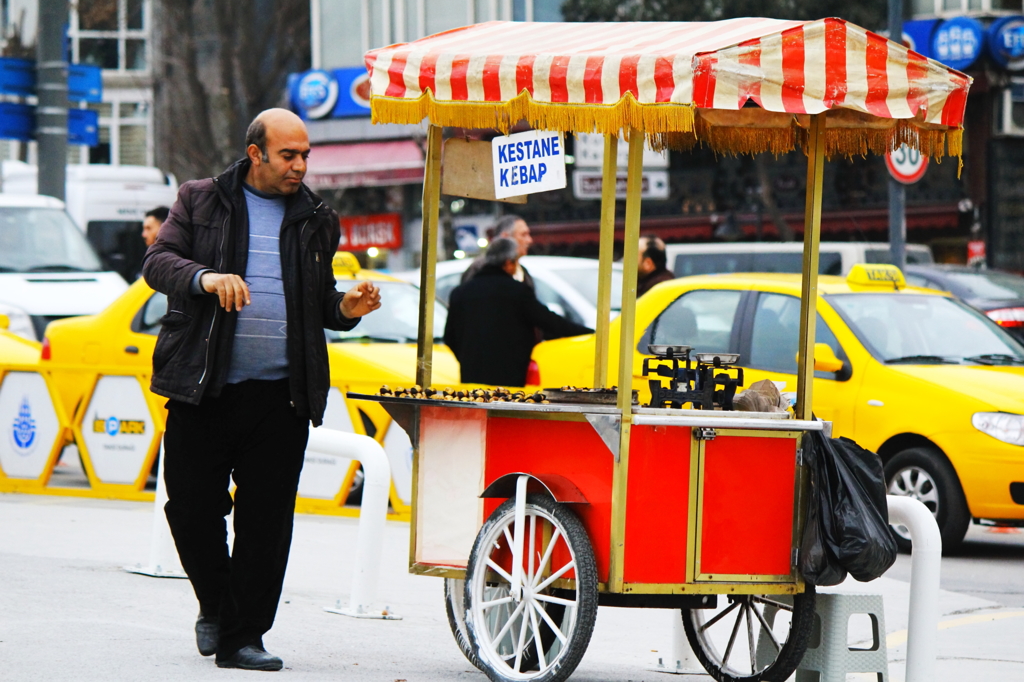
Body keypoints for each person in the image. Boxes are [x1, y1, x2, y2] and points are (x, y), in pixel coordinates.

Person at [142, 108, 381, 671]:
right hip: (204, 389)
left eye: (305, 155)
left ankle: (243, 635)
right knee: (192, 510)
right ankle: (218, 604)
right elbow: (157, 262)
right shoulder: (200, 199)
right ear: (256, 153)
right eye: (288, 155)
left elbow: (320, 300)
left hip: (281, 396)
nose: (300, 166)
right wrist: (205, 278)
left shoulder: (319, 217)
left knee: (265, 525)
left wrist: (346, 308)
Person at [444, 237, 592, 386]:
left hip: (471, 378)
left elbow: (449, 336)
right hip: (510, 379)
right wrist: (590, 333)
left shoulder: (460, 293)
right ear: (508, 263)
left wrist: (467, 358)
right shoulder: (517, 291)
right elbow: (551, 322)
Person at [460, 214, 534, 289]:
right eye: (523, 235)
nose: (529, 240)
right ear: (505, 237)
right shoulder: (480, 269)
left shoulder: (523, 272)